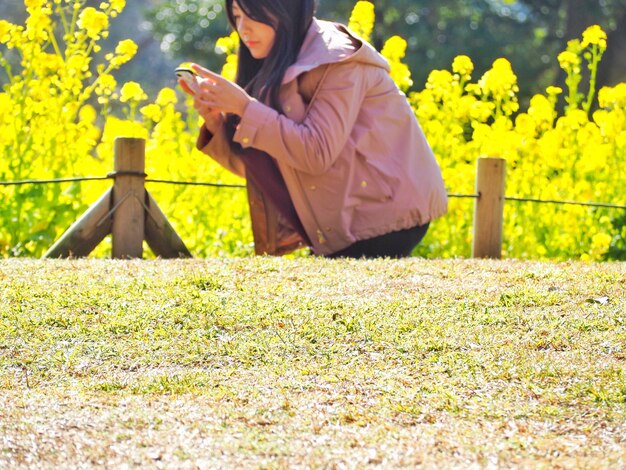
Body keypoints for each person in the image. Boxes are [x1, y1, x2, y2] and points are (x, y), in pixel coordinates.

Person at [181, 0, 448, 258]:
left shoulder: (337, 59)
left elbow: (316, 152)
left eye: (254, 15)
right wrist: (219, 123)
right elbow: (271, 166)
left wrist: (245, 107)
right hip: (346, 220)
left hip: (384, 217)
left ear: (285, 9)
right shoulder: (275, 61)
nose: (244, 28)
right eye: (238, 16)